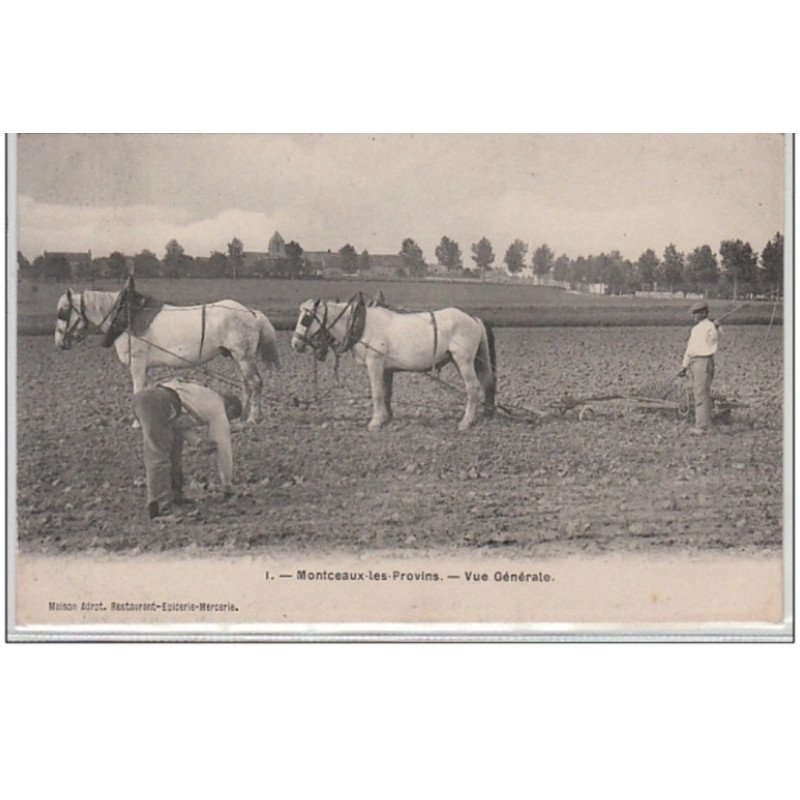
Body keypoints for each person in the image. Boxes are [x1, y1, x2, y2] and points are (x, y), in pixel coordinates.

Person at [132, 379, 242, 519]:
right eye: (230, 418)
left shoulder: (204, 397)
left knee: (175, 448)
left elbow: (178, 424)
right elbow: (223, 446)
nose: (227, 420)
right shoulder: (218, 408)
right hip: (158, 401)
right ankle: (162, 505)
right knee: (158, 453)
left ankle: (175, 495)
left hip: (150, 398)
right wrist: (227, 484)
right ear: (231, 409)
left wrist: (198, 442)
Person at [678, 300, 719, 435]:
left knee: (701, 394)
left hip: (703, 361)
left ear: (704, 313)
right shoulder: (695, 329)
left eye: (696, 313)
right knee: (699, 393)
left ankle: (702, 427)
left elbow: (712, 341)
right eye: (693, 313)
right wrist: (684, 365)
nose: (693, 316)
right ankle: (706, 424)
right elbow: (690, 348)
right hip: (694, 362)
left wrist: (716, 327)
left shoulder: (710, 327)